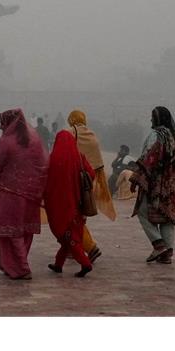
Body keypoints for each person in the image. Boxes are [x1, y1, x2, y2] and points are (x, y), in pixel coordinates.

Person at [0, 108, 47, 280]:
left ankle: (21, 267)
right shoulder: (33, 139)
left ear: (9, 123)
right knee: (25, 230)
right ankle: (10, 264)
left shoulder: (7, 141)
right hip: (31, 194)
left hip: (11, 194)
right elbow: (42, 165)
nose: (0, 126)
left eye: (2, 123)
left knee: (11, 231)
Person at [128, 106, 175, 264]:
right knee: (167, 216)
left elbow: (149, 158)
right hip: (174, 182)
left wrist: (137, 178)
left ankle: (158, 245)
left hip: (155, 181)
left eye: (152, 117)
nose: (150, 120)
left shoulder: (156, 135)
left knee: (142, 212)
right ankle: (167, 253)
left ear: (158, 119)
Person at [66, 109, 116, 263]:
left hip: (73, 182)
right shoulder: (92, 135)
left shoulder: (70, 133)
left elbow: (65, 157)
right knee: (79, 216)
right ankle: (72, 248)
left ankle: (90, 247)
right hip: (89, 183)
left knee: (70, 217)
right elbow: (98, 164)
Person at [43, 130, 95, 277]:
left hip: (57, 205)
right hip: (76, 203)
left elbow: (46, 182)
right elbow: (91, 174)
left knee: (68, 236)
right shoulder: (79, 157)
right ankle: (58, 264)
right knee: (69, 235)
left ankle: (85, 263)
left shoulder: (53, 159)